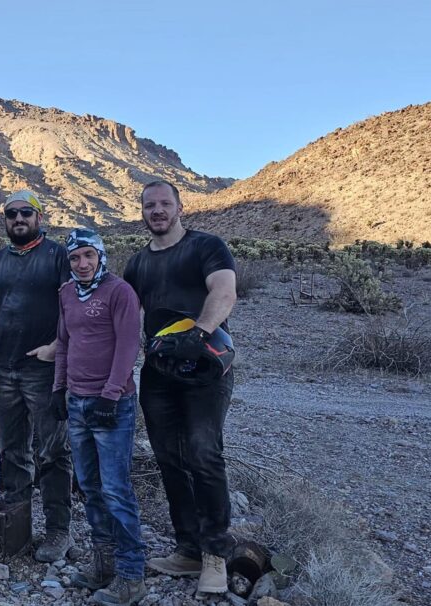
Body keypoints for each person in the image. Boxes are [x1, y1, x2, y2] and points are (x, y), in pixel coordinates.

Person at [123, 180, 238, 594]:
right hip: (159, 372)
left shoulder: (207, 246)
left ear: (179, 207)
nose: (157, 210)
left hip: (205, 365)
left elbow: (224, 291)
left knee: (203, 453)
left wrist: (199, 331)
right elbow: (128, 317)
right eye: (150, 205)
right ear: (142, 212)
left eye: (164, 204)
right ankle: (188, 549)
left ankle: (215, 556)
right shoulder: (136, 264)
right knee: (169, 457)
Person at [0, 190, 73, 562]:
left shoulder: (57, 255)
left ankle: (58, 532)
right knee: (12, 451)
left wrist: (55, 346)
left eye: (26, 213)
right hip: (7, 369)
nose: (19, 219)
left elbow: (71, 305)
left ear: (39, 216)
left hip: (44, 371)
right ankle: (16, 527)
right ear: (5, 220)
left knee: (52, 450)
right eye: (12, 214)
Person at [53, 228, 146, 604]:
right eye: (75, 258)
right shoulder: (66, 293)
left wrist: (111, 393)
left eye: (88, 255)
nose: (82, 263)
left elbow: (128, 346)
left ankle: (131, 575)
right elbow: (64, 342)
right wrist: (59, 388)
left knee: (116, 489)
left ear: (101, 255)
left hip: (112, 403)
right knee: (89, 486)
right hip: (77, 400)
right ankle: (103, 563)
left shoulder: (119, 292)